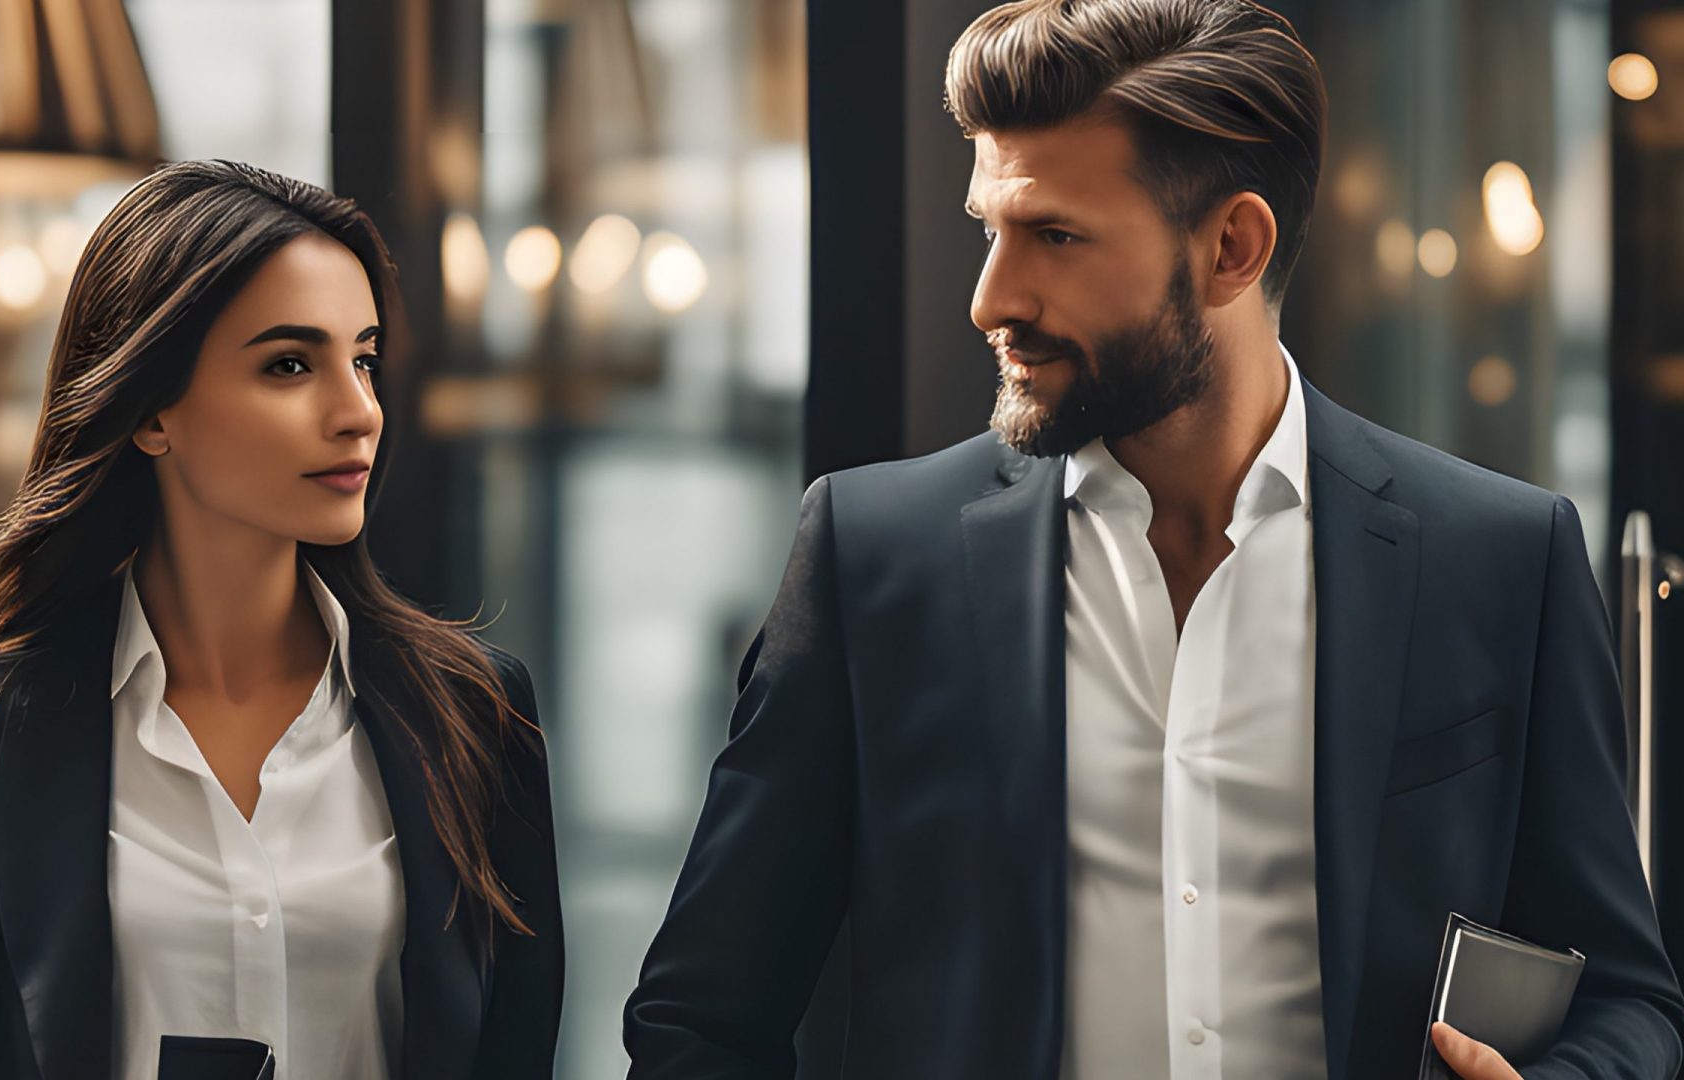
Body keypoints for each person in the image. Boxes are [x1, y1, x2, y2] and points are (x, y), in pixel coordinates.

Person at [623, 2, 1683, 1077]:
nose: (991, 299)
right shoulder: (872, 559)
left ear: (1232, 247)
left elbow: (1627, 1001)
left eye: (1056, 236)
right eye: (990, 229)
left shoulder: (1500, 559)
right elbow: (700, 1020)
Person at [0, 160, 563, 1080]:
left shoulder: (475, 715)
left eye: (364, 359)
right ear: (152, 413)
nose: (359, 412)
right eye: (290, 365)